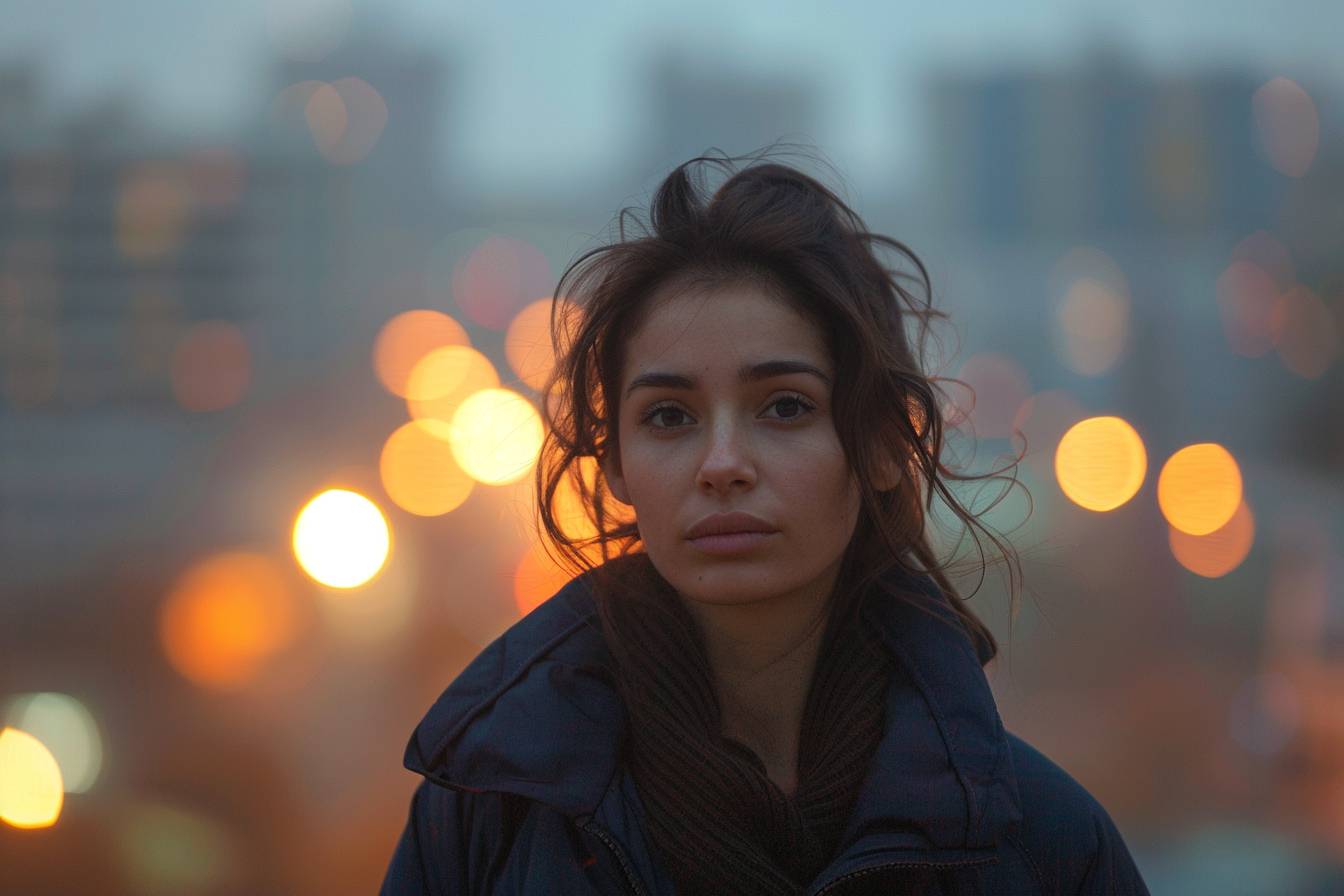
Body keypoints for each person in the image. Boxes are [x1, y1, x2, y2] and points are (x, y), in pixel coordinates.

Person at [380, 145, 1152, 895]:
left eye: (785, 407)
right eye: (670, 416)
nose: (722, 463)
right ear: (614, 463)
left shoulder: (1037, 844)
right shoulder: (489, 821)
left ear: (884, 443)